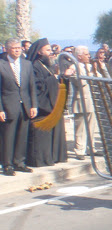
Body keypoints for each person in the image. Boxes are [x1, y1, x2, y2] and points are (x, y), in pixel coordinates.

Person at [26, 38, 71, 167]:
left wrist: (61, 78)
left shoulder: (47, 65)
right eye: (47, 50)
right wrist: (56, 78)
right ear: (39, 52)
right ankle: (42, 160)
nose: (50, 52)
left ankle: (55, 156)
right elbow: (37, 85)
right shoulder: (34, 66)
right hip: (42, 105)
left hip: (52, 104)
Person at [0, 38, 38, 175]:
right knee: (8, 136)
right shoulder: (1, 64)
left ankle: (19, 162)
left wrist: (34, 105)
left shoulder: (27, 64)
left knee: (22, 135)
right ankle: (7, 164)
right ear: (7, 49)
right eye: (14, 48)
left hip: (25, 105)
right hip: (9, 104)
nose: (17, 50)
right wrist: (0, 109)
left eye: (19, 48)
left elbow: (32, 86)